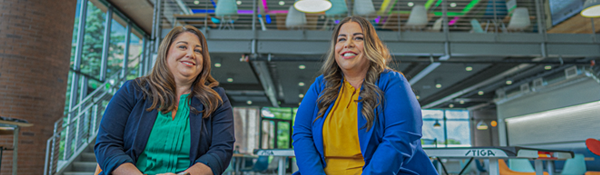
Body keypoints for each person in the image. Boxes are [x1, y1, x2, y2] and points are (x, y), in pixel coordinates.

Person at [292, 16, 438, 175]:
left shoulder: (393, 82)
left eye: (358, 38)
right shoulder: (320, 85)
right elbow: (302, 133)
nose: (348, 44)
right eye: (341, 39)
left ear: (371, 47)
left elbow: (399, 139)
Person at [95, 25, 234, 175]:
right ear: (165, 53)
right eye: (182, 47)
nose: (191, 54)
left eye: (198, 51)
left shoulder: (216, 99)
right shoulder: (133, 90)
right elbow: (107, 144)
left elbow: (221, 150)